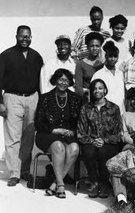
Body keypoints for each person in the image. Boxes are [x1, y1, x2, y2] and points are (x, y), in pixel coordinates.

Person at [0, 25, 44, 186]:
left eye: (27, 36)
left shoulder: (36, 57)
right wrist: (0, 103)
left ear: (31, 37)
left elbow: (41, 82)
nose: (25, 39)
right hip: (12, 98)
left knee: (28, 136)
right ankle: (14, 173)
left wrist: (41, 103)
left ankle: (24, 170)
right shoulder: (6, 55)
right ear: (16, 36)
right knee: (13, 138)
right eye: (22, 36)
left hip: (32, 98)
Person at [34, 68, 81, 198]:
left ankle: (55, 183)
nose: (63, 83)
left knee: (74, 148)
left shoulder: (76, 99)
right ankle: (61, 185)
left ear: (70, 82)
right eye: (60, 79)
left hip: (68, 134)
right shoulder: (45, 98)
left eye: (66, 80)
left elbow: (79, 122)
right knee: (58, 146)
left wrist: (73, 131)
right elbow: (38, 122)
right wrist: (54, 130)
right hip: (47, 134)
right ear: (55, 80)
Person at [77, 78, 122, 198]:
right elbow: (81, 132)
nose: (97, 90)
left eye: (100, 88)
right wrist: (92, 141)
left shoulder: (114, 108)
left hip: (109, 143)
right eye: (94, 88)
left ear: (105, 90)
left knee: (103, 152)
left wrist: (104, 140)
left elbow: (118, 133)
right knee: (89, 151)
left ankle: (104, 183)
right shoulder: (85, 108)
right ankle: (94, 182)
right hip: (90, 142)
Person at [92, 40, 126, 114]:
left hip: (121, 110)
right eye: (110, 56)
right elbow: (93, 93)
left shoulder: (121, 74)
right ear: (106, 56)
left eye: (115, 56)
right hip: (104, 112)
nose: (112, 59)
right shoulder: (98, 74)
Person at [75, 32, 104, 99]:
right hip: (87, 98)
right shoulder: (80, 63)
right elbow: (78, 86)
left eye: (97, 46)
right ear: (87, 47)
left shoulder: (104, 63)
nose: (94, 48)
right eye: (92, 46)